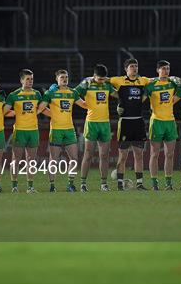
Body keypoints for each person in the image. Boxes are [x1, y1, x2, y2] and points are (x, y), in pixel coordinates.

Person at [38, 70, 87, 192]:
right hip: (56, 130)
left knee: (74, 159)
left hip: (69, 129)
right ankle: (52, 186)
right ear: (57, 79)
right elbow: (40, 109)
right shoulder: (51, 93)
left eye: (66, 77)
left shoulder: (72, 93)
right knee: (53, 159)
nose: (64, 79)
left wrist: (89, 93)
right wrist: (52, 113)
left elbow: (84, 105)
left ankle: (70, 184)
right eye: (62, 77)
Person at [109, 59, 151, 191]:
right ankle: (120, 184)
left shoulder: (143, 80)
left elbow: (156, 80)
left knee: (139, 154)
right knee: (123, 155)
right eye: (132, 66)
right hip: (125, 121)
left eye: (136, 66)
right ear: (126, 69)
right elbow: (102, 80)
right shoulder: (118, 80)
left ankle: (139, 183)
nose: (134, 68)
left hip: (139, 121)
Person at [75, 64, 118, 192]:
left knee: (104, 155)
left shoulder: (107, 84)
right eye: (99, 79)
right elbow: (73, 94)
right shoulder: (87, 84)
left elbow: (118, 94)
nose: (101, 81)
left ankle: (104, 184)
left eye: (103, 79)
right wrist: (83, 104)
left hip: (105, 123)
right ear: (94, 76)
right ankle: (83, 183)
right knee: (88, 154)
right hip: (92, 123)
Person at [4, 69, 46, 193]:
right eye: (27, 79)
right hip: (20, 131)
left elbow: (41, 109)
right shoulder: (14, 95)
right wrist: (16, 112)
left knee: (31, 160)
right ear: (21, 80)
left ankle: (30, 187)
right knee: (15, 159)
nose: (30, 81)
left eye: (32, 79)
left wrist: (55, 114)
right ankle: (14, 186)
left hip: (33, 130)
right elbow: (4, 112)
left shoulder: (37, 94)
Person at [145, 60, 180, 191]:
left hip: (170, 122)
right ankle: (154, 183)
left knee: (169, 154)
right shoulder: (151, 85)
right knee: (154, 154)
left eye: (168, 69)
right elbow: (141, 97)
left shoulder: (172, 83)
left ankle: (168, 183)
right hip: (156, 122)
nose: (166, 71)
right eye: (163, 69)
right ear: (158, 70)